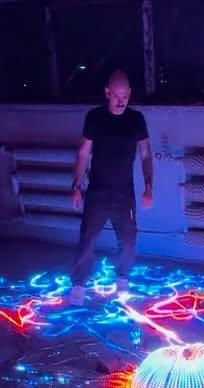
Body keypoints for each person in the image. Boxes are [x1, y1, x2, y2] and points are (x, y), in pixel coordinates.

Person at [69, 70, 153, 306]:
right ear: (107, 92)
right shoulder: (95, 117)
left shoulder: (136, 120)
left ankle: (123, 278)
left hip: (124, 194)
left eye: (125, 96)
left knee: (128, 241)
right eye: (116, 95)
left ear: (129, 94)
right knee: (87, 240)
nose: (120, 101)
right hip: (97, 192)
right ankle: (79, 284)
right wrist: (76, 185)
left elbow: (146, 154)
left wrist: (149, 187)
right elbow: (83, 153)